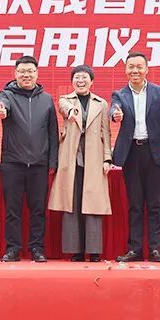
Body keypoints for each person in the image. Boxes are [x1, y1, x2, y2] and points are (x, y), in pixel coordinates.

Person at [110, 52, 160, 263]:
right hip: (131, 154)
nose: (135, 71)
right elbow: (114, 110)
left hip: (154, 153)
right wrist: (116, 115)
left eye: (139, 67)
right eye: (131, 67)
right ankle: (135, 249)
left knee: (155, 204)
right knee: (135, 204)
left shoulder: (159, 92)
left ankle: (155, 249)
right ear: (125, 70)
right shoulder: (119, 94)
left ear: (146, 69)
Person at [0, 56, 59, 262]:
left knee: (38, 210)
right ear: (15, 74)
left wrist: (53, 162)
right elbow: (1, 105)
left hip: (39, 165)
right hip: (12, 163)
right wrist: (1, 110)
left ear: (36, 74)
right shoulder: (7, 95)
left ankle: (37, 248)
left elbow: (53, 132)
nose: (26, 75)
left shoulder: (47, 99)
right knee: (12, 210)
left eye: (30, 71)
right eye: (22, 71)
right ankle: (13, 249)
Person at [49, 65, 112, 261]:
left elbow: (106, 132)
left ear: (92, 81)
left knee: (93, 205)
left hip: (94, 158)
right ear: (72, 81)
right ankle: (75, 250)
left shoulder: (101, 103)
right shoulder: (66, 100)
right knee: (72, 203)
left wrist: (107, 158)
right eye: (77, 77)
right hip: (71, 157)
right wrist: (71, 112)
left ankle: (94, 251)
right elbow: (63, 107)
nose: (81, 81)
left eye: (84, 77)